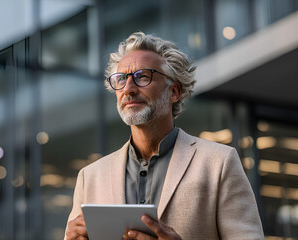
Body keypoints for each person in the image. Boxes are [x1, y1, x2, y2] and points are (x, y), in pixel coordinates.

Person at [64, 32, 264, 240]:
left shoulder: (219, 163)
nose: (128, 89)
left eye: (142, 76)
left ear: (174, 91)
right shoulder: (90, 177)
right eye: (121, 79)